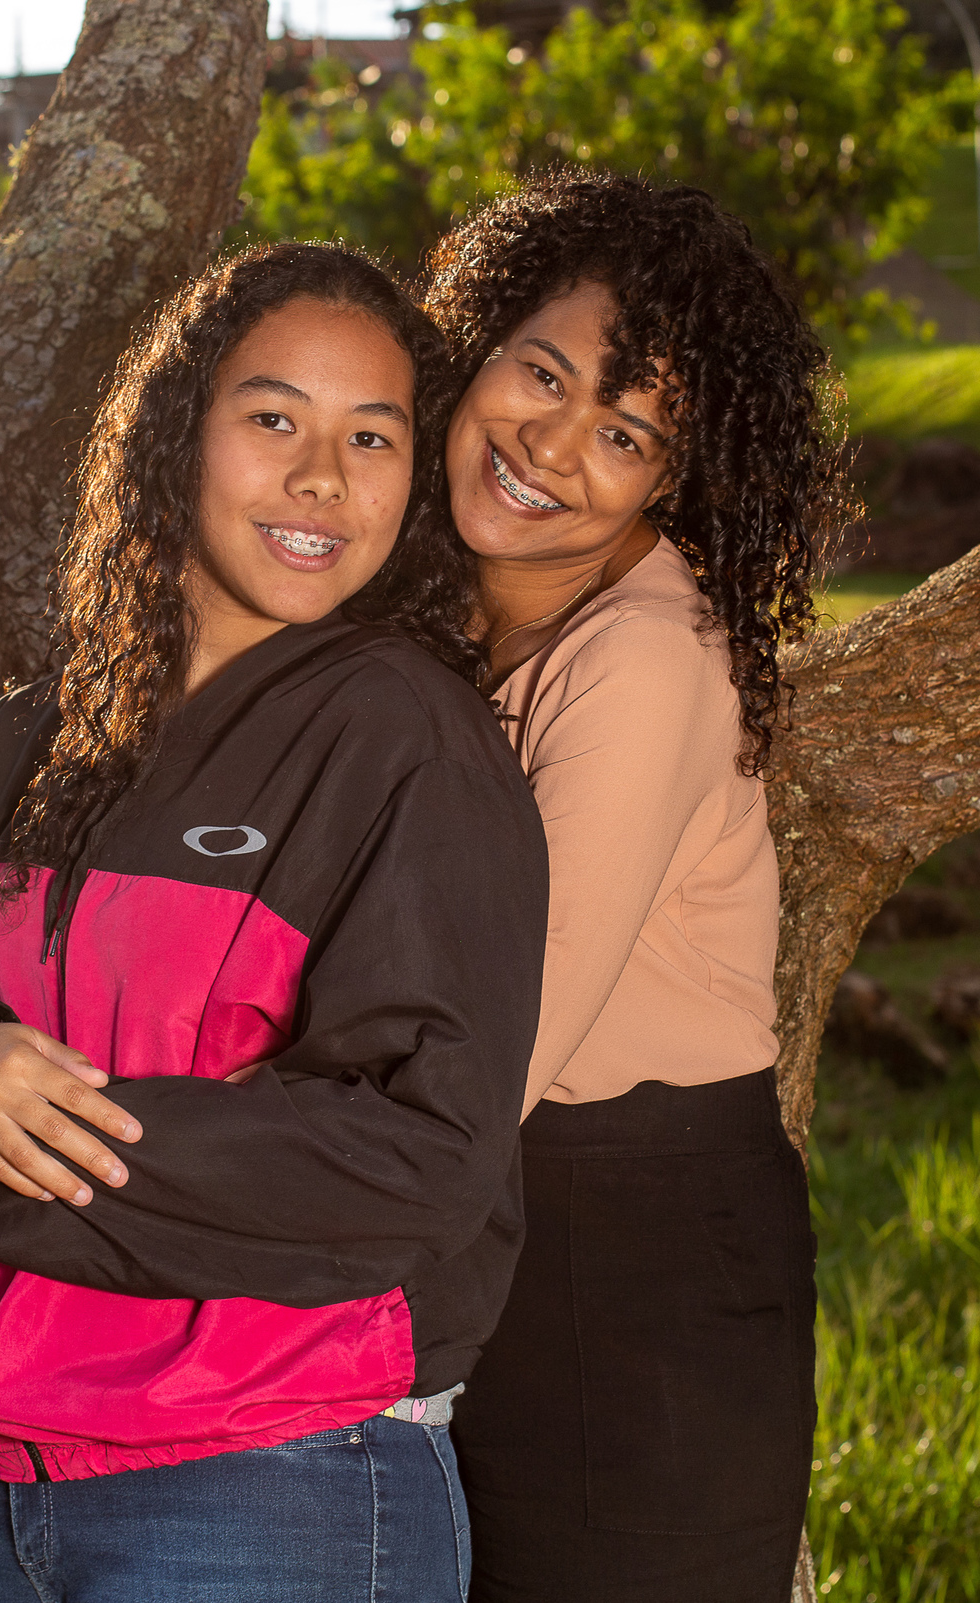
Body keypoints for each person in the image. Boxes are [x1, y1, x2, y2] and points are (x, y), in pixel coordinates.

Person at [0, 242, 549, 1603]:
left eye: (372, 436)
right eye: (273, 418)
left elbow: (424, 1156)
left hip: (274, 1482)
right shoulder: (43, 736)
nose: (322, 477)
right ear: (176, 436)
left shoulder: (404, 738)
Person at [422, 169, 841, 1603]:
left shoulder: (642, 659)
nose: (551, 444)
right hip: (484, 1209)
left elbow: (508, 1041)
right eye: (541, 374)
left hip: (635, 1260)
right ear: (474, 343)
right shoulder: (443, 612)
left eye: (624, 432)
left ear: (674, 477)